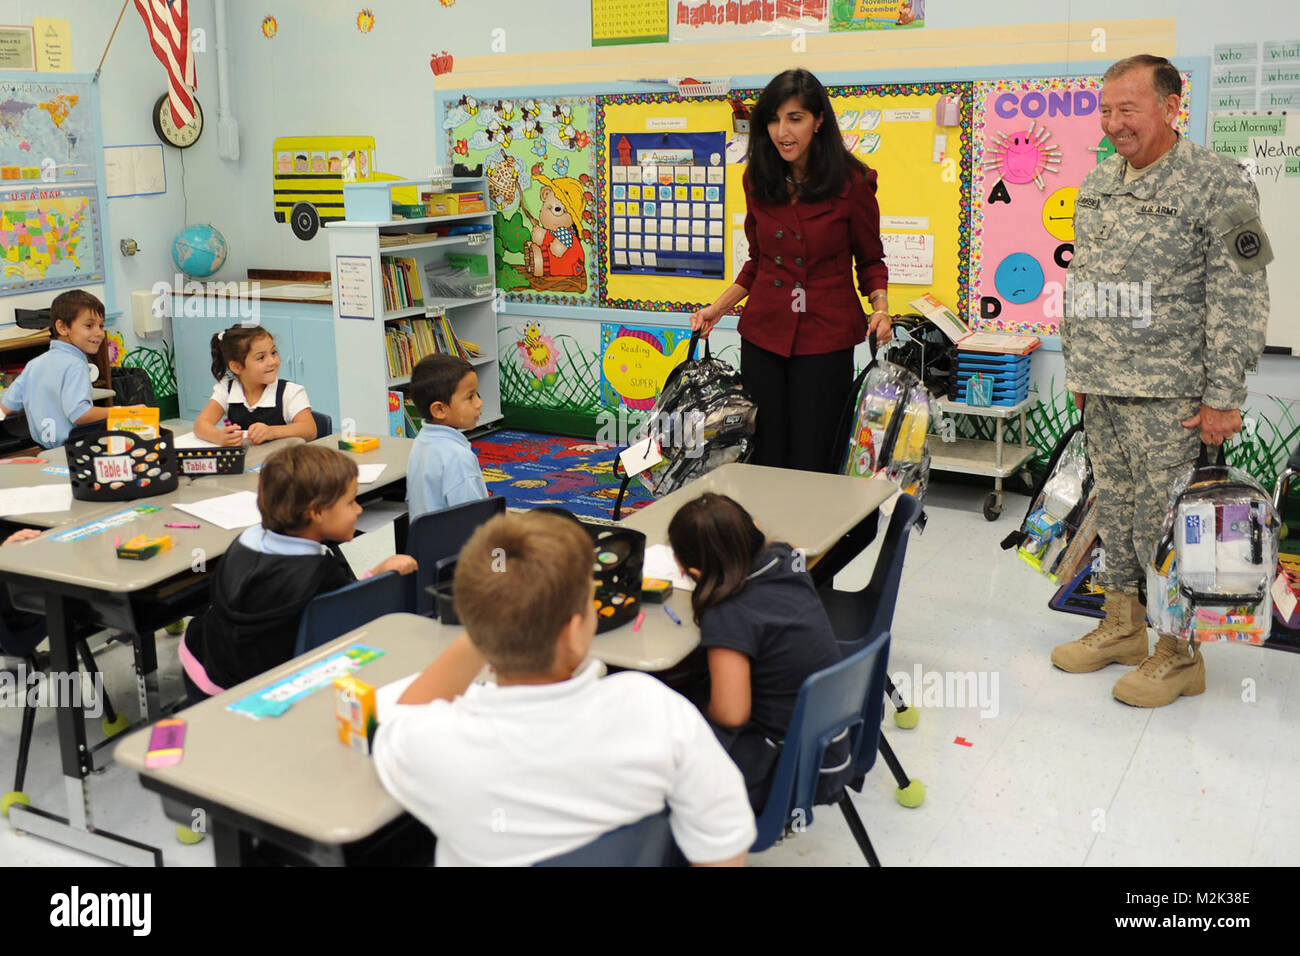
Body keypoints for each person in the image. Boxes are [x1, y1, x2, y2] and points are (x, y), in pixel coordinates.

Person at [1055, 55, 1271, 707]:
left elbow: (1241, 294)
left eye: (1130, 108)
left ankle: (1180, 654)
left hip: (1175, 395)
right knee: (1115, 510)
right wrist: (1080, 366)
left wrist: (1223, 397)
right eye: (1107, 108)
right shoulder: (1098, 182)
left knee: (1170, 519)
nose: (1115, 122)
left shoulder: (1218, 182)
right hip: (1105, 386)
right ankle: (1123, 627)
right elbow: (1086, 279)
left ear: (1172, 107)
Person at [373, 511, 756, 866]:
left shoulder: (433, 743)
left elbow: (401, 714)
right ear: (574, 631)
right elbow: (725, 844)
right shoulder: (656, 708)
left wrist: (489, 623)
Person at [689, 68, 890, 473]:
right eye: (774, 119)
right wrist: (718, 308)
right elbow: (759, 260)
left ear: (818, 121)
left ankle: (813, 535)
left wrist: (880, 308)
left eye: (795, 118)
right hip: (765, 333)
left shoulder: (852, 183)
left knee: (815, 450)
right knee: (764, 449)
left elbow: (870, 260)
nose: (783, 131)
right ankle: (769, 533)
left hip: (825, 336)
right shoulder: (758, 179)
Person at [179, 444, 416, 702]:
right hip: (253, 692)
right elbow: (351, 613)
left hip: (200, 661)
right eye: (351, 502)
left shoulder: (244, 542)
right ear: (316, 513)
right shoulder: (320, 571)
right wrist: (380, 572)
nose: (359, 509)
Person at [667, 493, 851, 810]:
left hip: (785, 768)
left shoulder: (729, 613)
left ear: (692, 572)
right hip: (828, 745)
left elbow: (732, 714)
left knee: (666, 730)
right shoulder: (787, 558)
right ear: (754, 529)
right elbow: (772, 541)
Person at [0, 290, 110, 449]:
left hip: (45, 450)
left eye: (101, 325)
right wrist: (118, 412)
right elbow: (79, 414)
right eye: (89, 325)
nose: (99, 332)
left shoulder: (34, 364)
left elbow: (6, 406)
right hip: (75, 450)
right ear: (62, 327)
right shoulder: (76, 365)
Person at [193, 324, 316, 447]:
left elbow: (309, 429)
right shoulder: (227, 389)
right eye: (261, 358)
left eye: (273, 352)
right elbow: (201, 424)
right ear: (237, 367)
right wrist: (218, 436)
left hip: (280, 462)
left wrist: (272, 432)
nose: (272, 361)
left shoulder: (290, 392)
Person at [406, 353, 488, 520]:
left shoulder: (421, 442)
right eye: (470, 397)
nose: (480, 403)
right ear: (439, 410)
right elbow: (475, 520)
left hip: (425, 542)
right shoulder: (458, 458)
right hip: (460, 544)